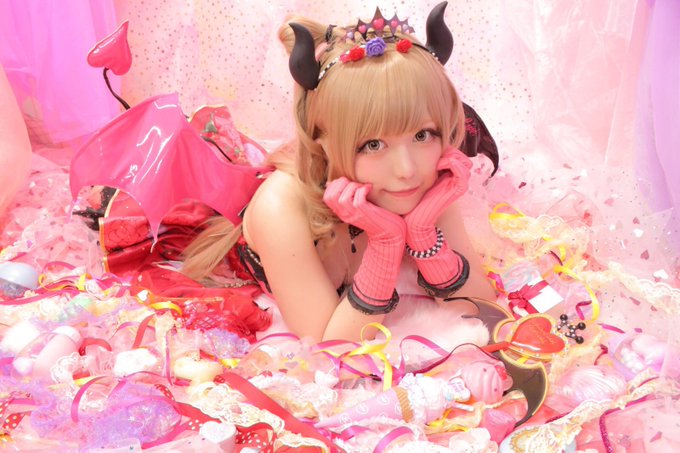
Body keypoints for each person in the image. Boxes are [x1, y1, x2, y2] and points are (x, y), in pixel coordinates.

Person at [182, 2, 499, 343]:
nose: (406, 170)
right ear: (322, 141)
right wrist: (385, 244)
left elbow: (482, 313)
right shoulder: (281, 206)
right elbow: (329, 347)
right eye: (373, 144)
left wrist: (422, 233)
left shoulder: (426, 178)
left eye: (422, 135)